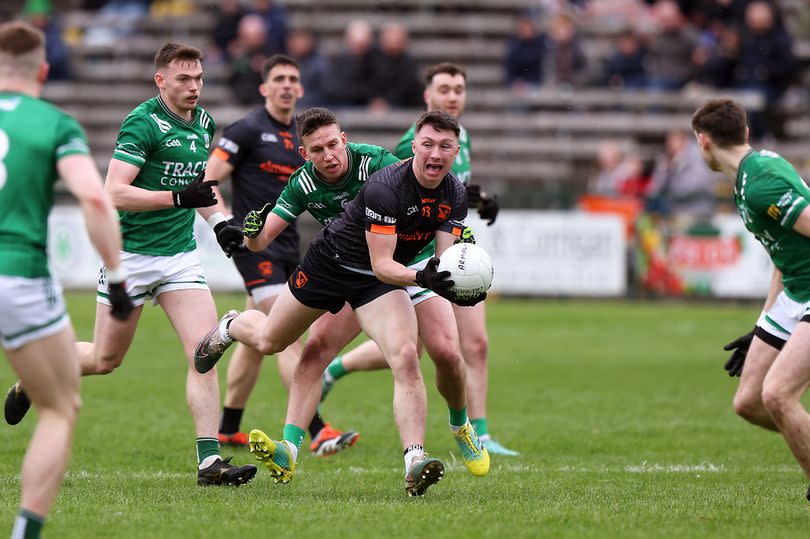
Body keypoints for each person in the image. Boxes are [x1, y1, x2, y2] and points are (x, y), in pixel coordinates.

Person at [194, 110, 490, 496]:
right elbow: (261, 240)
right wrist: (249, 235)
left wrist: (456, 276)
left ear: (345, 139)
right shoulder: (317, 184)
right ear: (305, 153)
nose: (329, 154)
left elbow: (422, 251)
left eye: (334, 144)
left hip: (390, 273)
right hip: (334, 265)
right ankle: (232, 327)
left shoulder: (387, 168)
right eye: (318, 149)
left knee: (412, 354)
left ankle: (420, 456)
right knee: (275, 342)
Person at [3, 41, 258, 487]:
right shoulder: (143, 123)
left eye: (198, 77)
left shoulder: (203, 123)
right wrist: (177, 198)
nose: (194, 86)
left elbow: (199, 184)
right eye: (184, 78)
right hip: (131, 257)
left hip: (179, 258)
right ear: (160, 80)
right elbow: (114, 191)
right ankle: (31, 377)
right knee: (105, 360)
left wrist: (219, 222)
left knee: (204, 353)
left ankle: (209, 463)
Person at [321, 62, 519, 456]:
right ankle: (333, 370)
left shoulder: (463, 140)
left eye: (459, 89)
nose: (452, 96)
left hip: (447, 255)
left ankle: (474, 430)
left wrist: (478, 199)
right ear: (427, 96)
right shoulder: (406, 146)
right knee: (413, 348)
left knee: (465, 346)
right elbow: (401, 198)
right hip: (406, 262)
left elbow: (446, 192)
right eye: (444, 89)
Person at [0, 20, 132, 538]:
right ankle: (24, 533)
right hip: (20, 277)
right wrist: (117, 277)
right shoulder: (54, 124)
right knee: (58, 407)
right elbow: (96, 198)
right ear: (44, 69)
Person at [198, 55, 358, 455]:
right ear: (264, 88)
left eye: (293, 79)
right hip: (256, 247)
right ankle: (316, 428)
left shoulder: (306, 138)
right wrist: (225, 222)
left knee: (259, 340)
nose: (286, 85)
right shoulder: (248, 129)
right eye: (278, 79)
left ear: (301, 89)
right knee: (287, 338)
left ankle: (229, 426)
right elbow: (208, 179)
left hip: (292, 247)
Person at [693, 98, 810, 500]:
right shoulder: (748, 177)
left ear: (702, 141)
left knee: (777, 395)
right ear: (744, 133)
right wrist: (765, 322)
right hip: (796, 290)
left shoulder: (761, 183)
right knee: (749, 401)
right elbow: (785, 250)